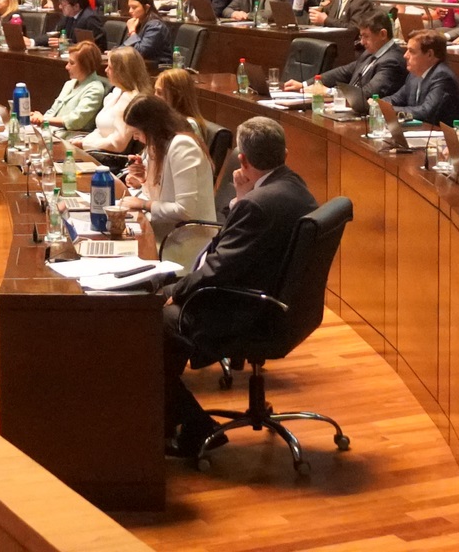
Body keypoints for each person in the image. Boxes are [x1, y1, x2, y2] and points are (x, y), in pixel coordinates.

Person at [161, 116, 319, 459]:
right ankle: (164, 417)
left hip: (244, 311)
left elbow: (217, 268)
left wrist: (177, 290)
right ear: (284, 154)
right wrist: (244, 195)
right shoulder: (294, 186)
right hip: (280, 305)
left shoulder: (257, 206)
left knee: (145, 322)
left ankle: (195, 426)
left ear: (243, 161)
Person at [119, 94, 216, 251]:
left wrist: (144, 204)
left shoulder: (182, 146)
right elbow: (162, 195)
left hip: (186, 242)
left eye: (137, 131)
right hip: (165, 231)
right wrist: (143, 178)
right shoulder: (156, 146)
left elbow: (184, 210)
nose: (135, 137)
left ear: (151, 126)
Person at [312, 14, 406, 98]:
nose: (362, 42)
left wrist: (328, 91)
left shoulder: (393, 61)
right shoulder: (370, 53)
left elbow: (368, 93)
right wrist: (305, 85)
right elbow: (343, 72)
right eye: (361, 37)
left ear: (383, 34)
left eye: (366, 36)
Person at [84, 47, 153, 153]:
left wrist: (85, 144)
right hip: (96, 150)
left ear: (122, 72)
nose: (106, 70)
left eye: (110, 67)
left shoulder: (130, 100)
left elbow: (118, 145)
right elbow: (100, 130)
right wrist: (84, 141)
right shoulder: (116, 92)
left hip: (111, 159)